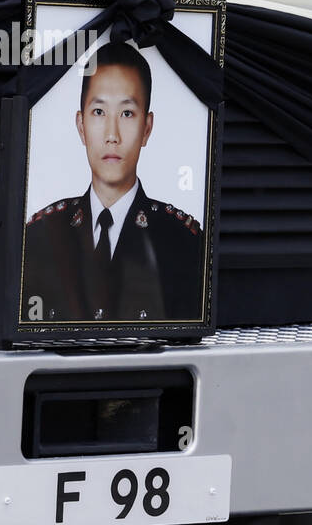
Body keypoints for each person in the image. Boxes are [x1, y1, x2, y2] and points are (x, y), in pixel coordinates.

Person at [22, 41, 205, 323]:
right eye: (99, 112)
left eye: (127, 113)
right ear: (81, 126)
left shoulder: (185, 242)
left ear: (147, 128)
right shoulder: (38, 237)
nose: (112, 134)